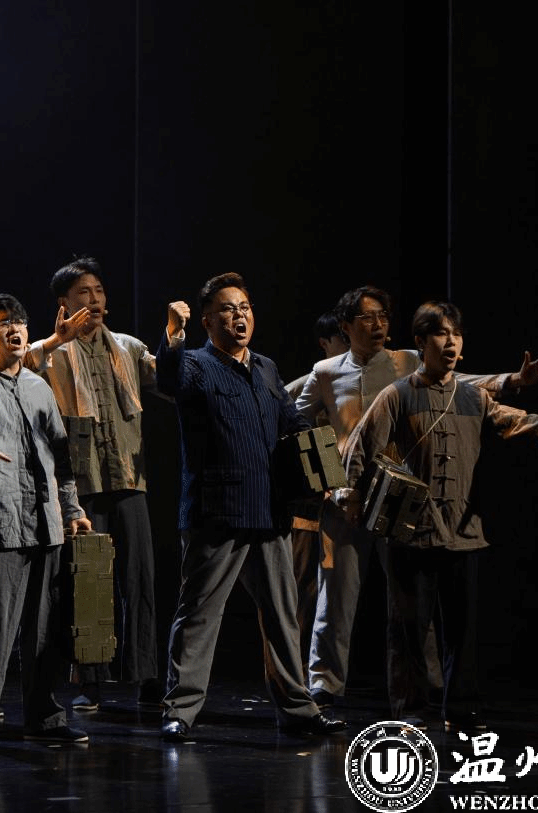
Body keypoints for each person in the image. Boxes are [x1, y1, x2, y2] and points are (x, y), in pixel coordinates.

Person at [340, 300, 538, 731]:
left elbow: (515, 419)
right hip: (410, 531)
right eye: (441, 334)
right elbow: (360, 447)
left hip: (462, 530)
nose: (451, 343)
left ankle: (461, 707)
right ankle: (413, 709)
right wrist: (351, 498)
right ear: (421, 342)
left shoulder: (473, 396)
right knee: (409, 627)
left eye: (456, 335)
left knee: (461, 629)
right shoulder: (398, 394)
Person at [295, 284, 538, 709]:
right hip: (347, 497)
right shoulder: (326, 371)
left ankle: (430, 682)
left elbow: (461, 382)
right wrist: (327, 477)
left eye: (383, 316)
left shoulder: (406, 361)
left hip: (400, 496)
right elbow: (297, 421)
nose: (378, 325)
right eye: (367, 318)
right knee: (336, 594)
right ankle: (324, 684)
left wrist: (513, 381)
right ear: (345, 325)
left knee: (415, 601)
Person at [156, 273, 345, 743]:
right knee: (199, 613)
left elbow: (291, 419)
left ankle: (298, 709)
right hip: (217, 511)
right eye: (227, 309)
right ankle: (180, 710)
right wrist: (173, 335)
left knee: (282, 613)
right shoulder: (195, 364)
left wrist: (321, 465)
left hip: (269, 508)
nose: (239, 315)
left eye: (244, 307)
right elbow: (169, 379)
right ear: (207, 321)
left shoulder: (265, 367)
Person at [0, 293, 94, 750]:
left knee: (44, 629)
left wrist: (73, 511)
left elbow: (62, 460)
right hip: (2, 522)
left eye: (20, 321)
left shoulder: (39, 387)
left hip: (46, 524)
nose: (14, 329)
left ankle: (44, 716)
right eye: (4, 323)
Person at [24, 257, 165, 711]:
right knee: (88, 581)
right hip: (81, 486)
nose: (95, 299)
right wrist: (55, 340)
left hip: (128, 477)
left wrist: (176, 336)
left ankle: (145, 673)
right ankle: (91, 681)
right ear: (64, 303)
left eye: (99, 291)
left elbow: (171, 379)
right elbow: (16, 370)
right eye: (83, 293)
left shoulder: (128, 347)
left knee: (139, 579)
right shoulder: (54, 354)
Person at [284, 310, 348, 670]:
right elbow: (288, 421)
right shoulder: (312, 381)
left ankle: (322, 671)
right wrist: (324, 476)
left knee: (336, 592)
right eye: (342, 338)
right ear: (325, 343)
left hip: (348, 502)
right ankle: (294, 670)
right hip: (309, 505)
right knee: (302, 588)